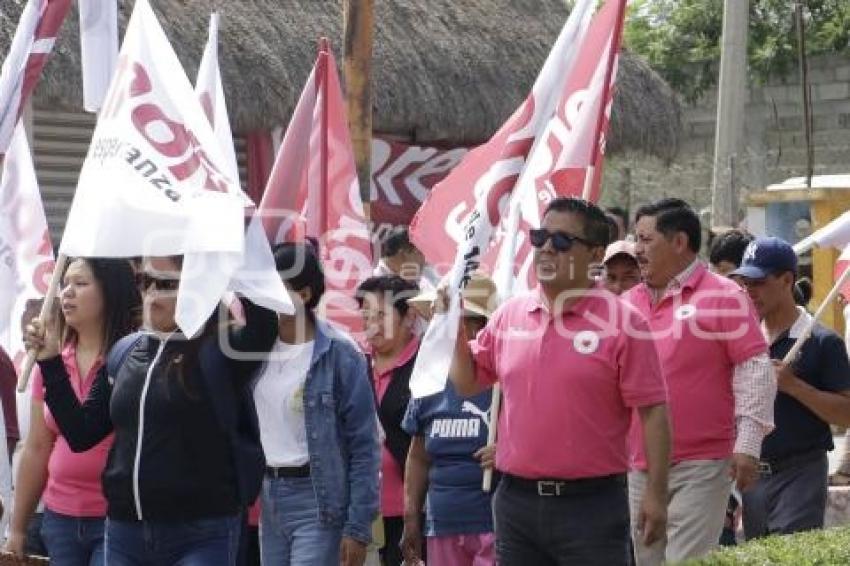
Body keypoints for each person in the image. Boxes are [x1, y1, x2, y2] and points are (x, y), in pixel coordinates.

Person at [445, 197, 671, 566]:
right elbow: (468, 383)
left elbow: (654, 413)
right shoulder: (509, 315)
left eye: (563, 241)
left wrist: (656, 495)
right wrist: (453, 332)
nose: (547, 248)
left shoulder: (625, 322)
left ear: (595, 253)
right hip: (516, 503)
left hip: (592, 508)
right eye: (540, 237)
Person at [25, 256, 278, 566]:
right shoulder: (125, 350)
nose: (151, 293)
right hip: (124, 531)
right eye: (146, 282)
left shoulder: (224, 350)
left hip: (202, 531)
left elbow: (264, 324)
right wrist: (50, 361)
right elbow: (81, 433)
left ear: (199, 288)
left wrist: (232, 250)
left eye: (166, 284)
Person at [624, 198, 775, 565]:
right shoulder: (626, 304)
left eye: (646, 240)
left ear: (679, 242)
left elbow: (755, 369)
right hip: (638, 466)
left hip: (703, 463)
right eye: (635, 240)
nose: (637, 250)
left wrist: (748, 443)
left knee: (686, 562)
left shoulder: (725, 295)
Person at [6, 258, 140, 565]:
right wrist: (17, 529)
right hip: (59, 519)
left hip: (117, 519)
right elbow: (38, 447)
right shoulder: (52, 359)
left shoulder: (133, 357)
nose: (66, 293)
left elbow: (87, 432)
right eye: (64, 283)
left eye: (80, 284)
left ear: (110, 292)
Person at [256, 243, 380, 565]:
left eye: (277, 287)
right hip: (268, 498)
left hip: (318, 498)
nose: (264, 295)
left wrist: (357, 527)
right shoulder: (252, 350)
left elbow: (364, 446)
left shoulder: (340, 354)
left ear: (305, 293)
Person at [731, 237, 850, 538]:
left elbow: (846, 414)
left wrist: (794, 386)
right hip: (749, 473)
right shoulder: (741, 339)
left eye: (758, 282)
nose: (749, 291)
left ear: (786, 279)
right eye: (744, 282)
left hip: (801, 472)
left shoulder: (824, 342)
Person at [400, 273, 499, 566]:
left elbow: (536, 441)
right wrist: (412, 517)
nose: (438, 330)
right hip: (441, 524)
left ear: (477, 327)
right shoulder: (428, 383)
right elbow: (418, 457)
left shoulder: (504, 381)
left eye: (449, 322)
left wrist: (509, 451)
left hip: (494, 525)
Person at [356, 275, 421, 566]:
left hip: (410, 512)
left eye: (381, 314)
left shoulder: (426, 366)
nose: (371, 322)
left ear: (409, 316)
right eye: (366, 314)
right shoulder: (353, 363)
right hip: (359, 512)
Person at [374, 226, 438, 291]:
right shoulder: (374, 278)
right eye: (420, 252)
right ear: (404, 252)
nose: (425, 260)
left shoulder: (424, 277)